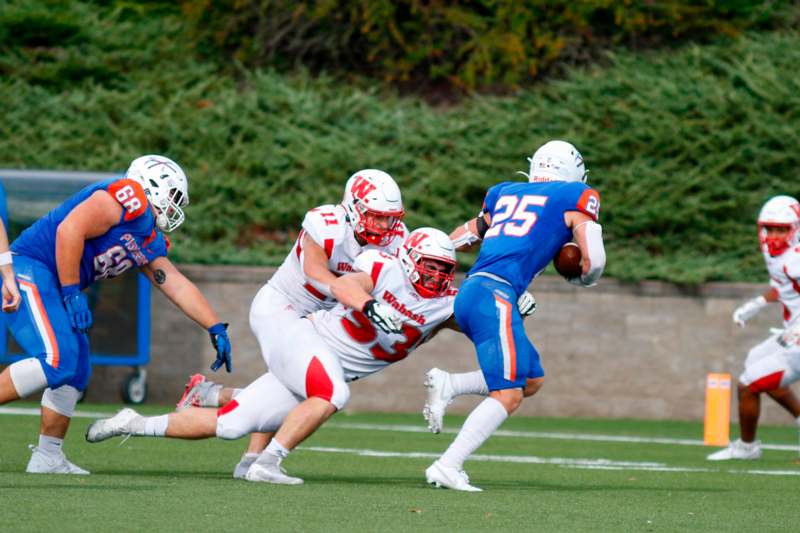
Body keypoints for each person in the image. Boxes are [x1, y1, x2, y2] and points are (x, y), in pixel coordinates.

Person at [86, 227, 482, 485]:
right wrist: (369, 306)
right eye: (431, 266)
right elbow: (348, 285)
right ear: (410, 257)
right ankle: (268, 462)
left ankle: (133, 422)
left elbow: (478, 323)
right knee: (333, 395)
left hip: (318, 366)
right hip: (312, 344)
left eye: (444, 269)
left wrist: (508, 302)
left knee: (231, 425)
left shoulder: (444, 303)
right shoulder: (382, 266)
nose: (437, 276)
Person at [0, 155, 232, 474]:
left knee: (76, 368)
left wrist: (214, 325)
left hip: (53, 281)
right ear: (154, 185)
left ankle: (48, 456)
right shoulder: (130, 198)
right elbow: (71, 229)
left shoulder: (147, 236)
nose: (177, 206)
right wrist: (70, 291)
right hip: (31, 268)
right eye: (175, 196)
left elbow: (173, 282)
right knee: (57, 360)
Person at [174, 169, 408, 478]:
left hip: (321, 318)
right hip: (282, 307)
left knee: (291, 391)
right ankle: (255, 458)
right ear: (354, 206)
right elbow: (314, 270)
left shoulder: (397, 238)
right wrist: (355, 296)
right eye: (376, 216)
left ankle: (217, 405)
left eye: (389, 217)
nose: (384, 225)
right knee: (314, 391)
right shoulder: (326, 223)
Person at [424, 140, 606, 491]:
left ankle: (451, 384)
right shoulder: (574, 195)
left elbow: (463, 237)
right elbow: (593, 259)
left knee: (531, 380)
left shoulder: (504, 193)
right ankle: (448, 465)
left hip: (473, 291)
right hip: (496, 293)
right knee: (508, 394)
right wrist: (586, 279)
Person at [707, 195, 800, 461]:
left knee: (749, 384)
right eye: (769, 228)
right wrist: (757, 304)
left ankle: (747, 448)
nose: (773, 235)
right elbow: (785, 288)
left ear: (795, 229)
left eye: (781, 229)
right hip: (791, 331)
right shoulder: (779, 257)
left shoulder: (795, 258)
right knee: (754, 361)